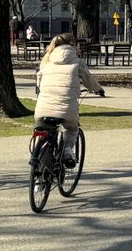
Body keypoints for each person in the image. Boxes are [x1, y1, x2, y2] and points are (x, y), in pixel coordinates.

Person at [34, 34, 105, 166]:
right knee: (72, 128)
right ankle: (67, 150)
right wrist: (99, 89)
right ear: (73, 45)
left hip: (42, 108)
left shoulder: (46, 61)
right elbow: (89, 81)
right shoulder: (78, 62)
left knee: (42, 131)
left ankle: (39, 171)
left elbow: (39, 83)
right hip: (67, 110)